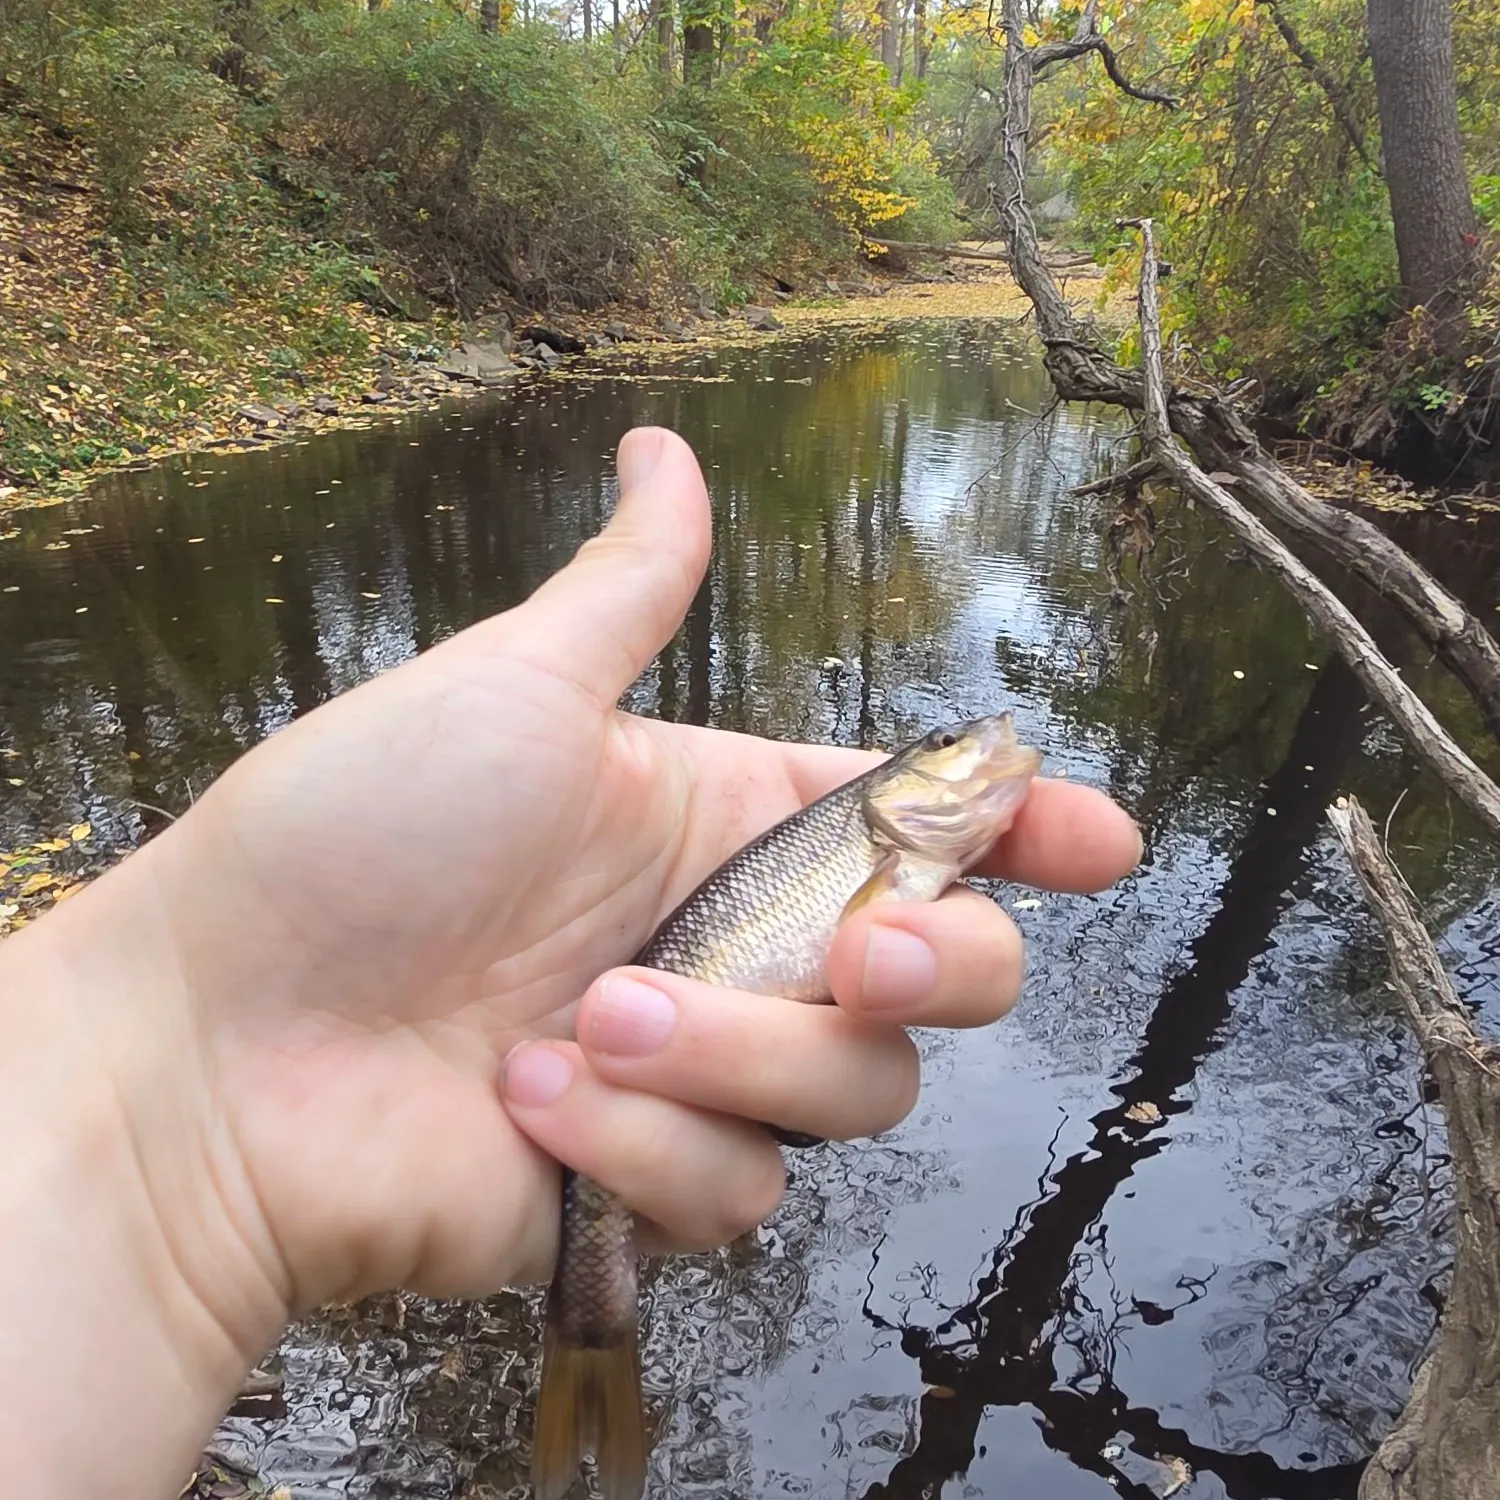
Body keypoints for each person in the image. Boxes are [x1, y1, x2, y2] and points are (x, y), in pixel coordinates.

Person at [0, 428, 1140, 1496]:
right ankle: (590, 1344)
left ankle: (587, 1344)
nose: (974, 750)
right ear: (898, 791)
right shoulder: (873, 844)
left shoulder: (894, 858)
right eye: (942, 749)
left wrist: (189, 1181)